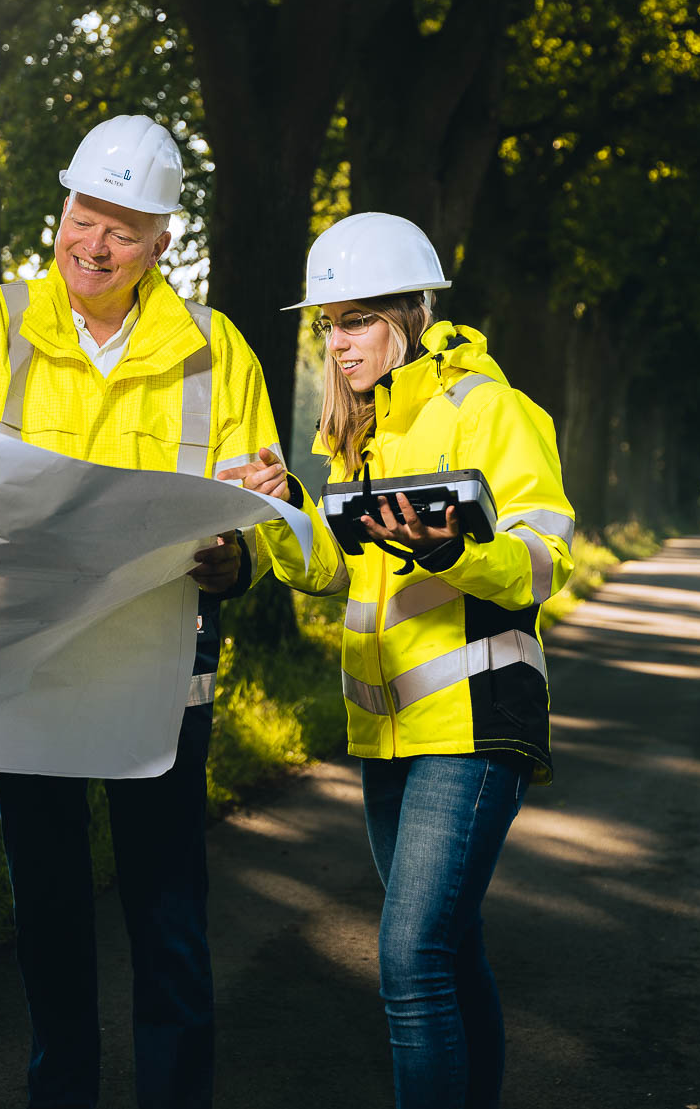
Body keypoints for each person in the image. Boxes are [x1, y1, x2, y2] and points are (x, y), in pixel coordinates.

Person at [0, 114, 282, 1109]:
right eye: (81, 216)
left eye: (121, 227)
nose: (93, 245)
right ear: (57, 211)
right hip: (26, 666)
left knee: (169, 918)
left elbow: (271, 517)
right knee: (52, 919)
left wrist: (241, 549)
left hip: (162, 674)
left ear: (161, 242)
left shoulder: (215, 348)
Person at [230, 212, 574, 1108]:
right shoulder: (360, 430)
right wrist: (285, 512)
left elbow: (547, 559)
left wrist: (451, 549)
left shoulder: (489, 408)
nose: (336, 343)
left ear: (409, 314)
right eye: (326, 324)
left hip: (475, 722)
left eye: (354, 320)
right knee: (451, 950)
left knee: (410, 957)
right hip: (385, 731)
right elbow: (331, 572)